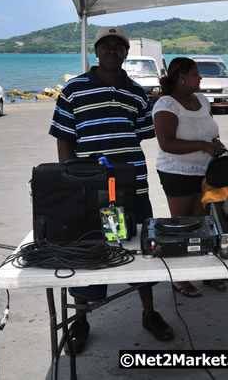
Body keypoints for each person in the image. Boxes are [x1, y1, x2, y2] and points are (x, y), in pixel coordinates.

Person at [49, 26, 174, 353]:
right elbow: (64, 138)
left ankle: (149, 312)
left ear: (126, 54)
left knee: (141, 250)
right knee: (90, 253)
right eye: (107, 46)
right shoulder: (73, 89)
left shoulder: (135, 91)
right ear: (97, 50)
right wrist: (73, 180)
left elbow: (145, 131)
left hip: (134, 187)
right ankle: (81, 319)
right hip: (93, 190)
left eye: (119, 47)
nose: (112, 52)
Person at [152, 57, 227, 297]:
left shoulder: (202, 100)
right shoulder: (167, 104)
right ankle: (180, 277)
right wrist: (203, 146)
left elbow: (209, 131)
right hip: (177, 172)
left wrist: (215, 144)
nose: (201, 77)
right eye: (196, 74)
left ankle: (205, 271)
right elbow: (167, 143)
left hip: (206, 171)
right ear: (182, 77)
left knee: (203, 224)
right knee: (182, 225)